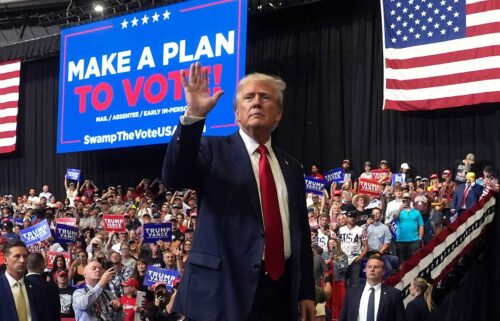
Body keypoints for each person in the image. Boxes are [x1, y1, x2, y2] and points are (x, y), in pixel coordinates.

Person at [162, 62, 315, 321]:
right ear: (237, 114)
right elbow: (173, 177)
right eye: (248, 97)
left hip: (279, 294)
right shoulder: (212, 150)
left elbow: (301, 234)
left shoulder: (292, 166)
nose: (256, 102)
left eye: (264, 97)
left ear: (278, 113)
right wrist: (194, 116)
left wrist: (306, 291)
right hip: (222, 293)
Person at [339, 256, 406, 321]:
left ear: (383, 272)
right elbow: (343, 318)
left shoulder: (394, 294)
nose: (372, 269)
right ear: (365, 270)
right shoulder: (351, 293)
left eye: (376, 267)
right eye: (369, 267)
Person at [0, 241, 46, 321]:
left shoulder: (37, 287)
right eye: (17, 256)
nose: (22, 260)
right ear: (5, 260)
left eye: (25, 256)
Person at [25, 252, 61, 320]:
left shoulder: (19, 286)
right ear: (42, 265)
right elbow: (56, 315)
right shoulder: (51, 287)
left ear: (26, 265)